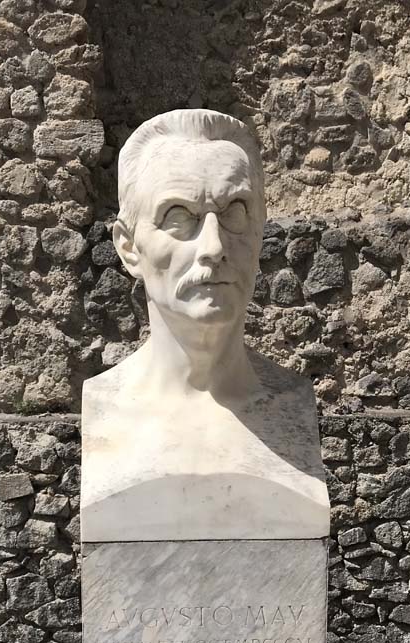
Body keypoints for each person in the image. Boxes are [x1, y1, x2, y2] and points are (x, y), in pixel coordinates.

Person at [81, 109, 329, 542]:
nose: (213, 246)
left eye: (235, 212)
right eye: (179, 216)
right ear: (128, 247)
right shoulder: (106, 408)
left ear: (259, 234)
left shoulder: (293, 405)